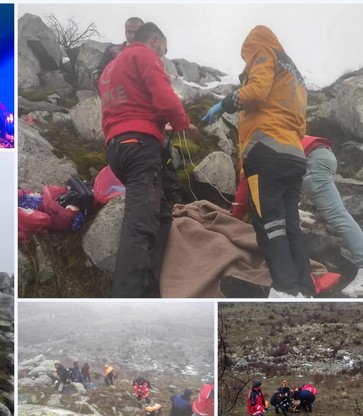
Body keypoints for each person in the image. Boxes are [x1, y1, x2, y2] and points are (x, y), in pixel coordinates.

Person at [202, 25, 311, 298]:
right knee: (290, 224)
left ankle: (284, 288)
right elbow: (301, 120)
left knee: (269, 223)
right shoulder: (295, 75)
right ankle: (304, 289)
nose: (246, 60)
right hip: (294, 153)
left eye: (245, 56)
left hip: (266, 151)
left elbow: (257, 91)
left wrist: (224, 104)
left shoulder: (263, 51)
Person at [98, 22, 196, 298]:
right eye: (163, 51)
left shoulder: (110, 68)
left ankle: (153, 285)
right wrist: (182, 122)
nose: (162, 56)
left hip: (118, 147)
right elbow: (166, 100)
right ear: (154, 42)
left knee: (161, 213)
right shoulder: (143, 55)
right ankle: (129, 298)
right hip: (141, 147)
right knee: (140, 226)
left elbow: (127, 103)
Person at [301, 136, 363, 296]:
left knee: (337, 216)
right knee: (337, 215)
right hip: (316, 154)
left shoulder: (253, 142)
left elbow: (246, 188)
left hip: (311, 159)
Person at [94, 17, 145, 84]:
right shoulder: (113, 51)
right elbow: (97, 75)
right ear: (125, 32)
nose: (132, 35)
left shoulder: (153, 53)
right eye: (129, 32)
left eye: (136, 32)